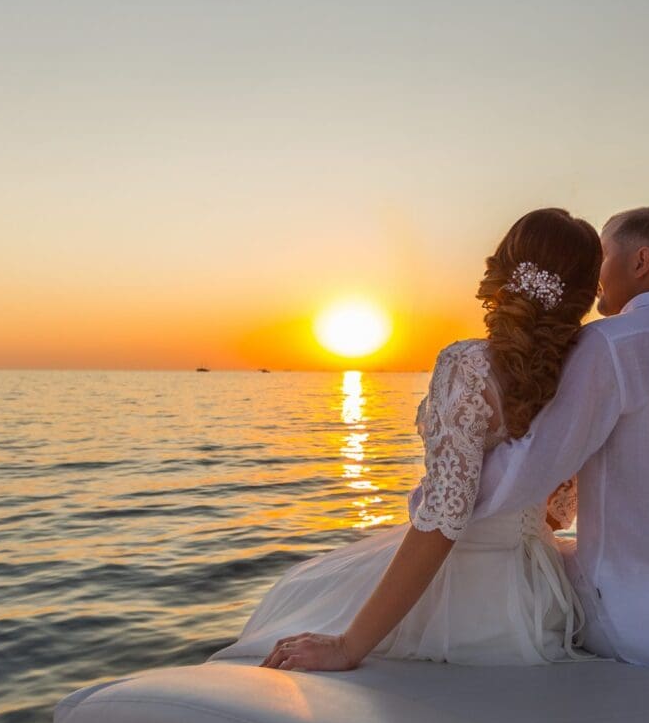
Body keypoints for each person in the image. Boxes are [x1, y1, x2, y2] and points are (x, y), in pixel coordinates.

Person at [211, 208, 602, 668]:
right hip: (540, 596)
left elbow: (443, 521)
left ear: (504, 270)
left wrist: (348, 645)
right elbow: (558, 513)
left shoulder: (469, 366)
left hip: (469, 599)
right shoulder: (588, 375)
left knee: (297, 593)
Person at [470, 206, 649, 667]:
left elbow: (533, 468)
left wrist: (453, 490)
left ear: (640, 261)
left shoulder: (609, 344)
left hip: (641, 625)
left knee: (500, 565)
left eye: (602, 255)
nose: (594, 273)